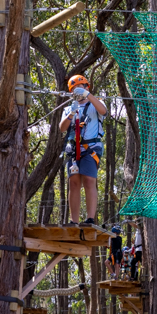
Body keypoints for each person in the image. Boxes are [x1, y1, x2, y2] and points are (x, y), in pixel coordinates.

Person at [59, 75, 108, 226]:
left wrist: (88, 95)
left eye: (82, 87)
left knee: (88, 180)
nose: (79, 90)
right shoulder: (69, 108)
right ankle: (73, 220)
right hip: (74, 149)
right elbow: (62, 128)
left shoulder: (95, 104)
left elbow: (104, 111)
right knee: (73, 183)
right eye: (75, 89)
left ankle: (90, 218)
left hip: (91, 147)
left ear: (88, 87)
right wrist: (71, 113)